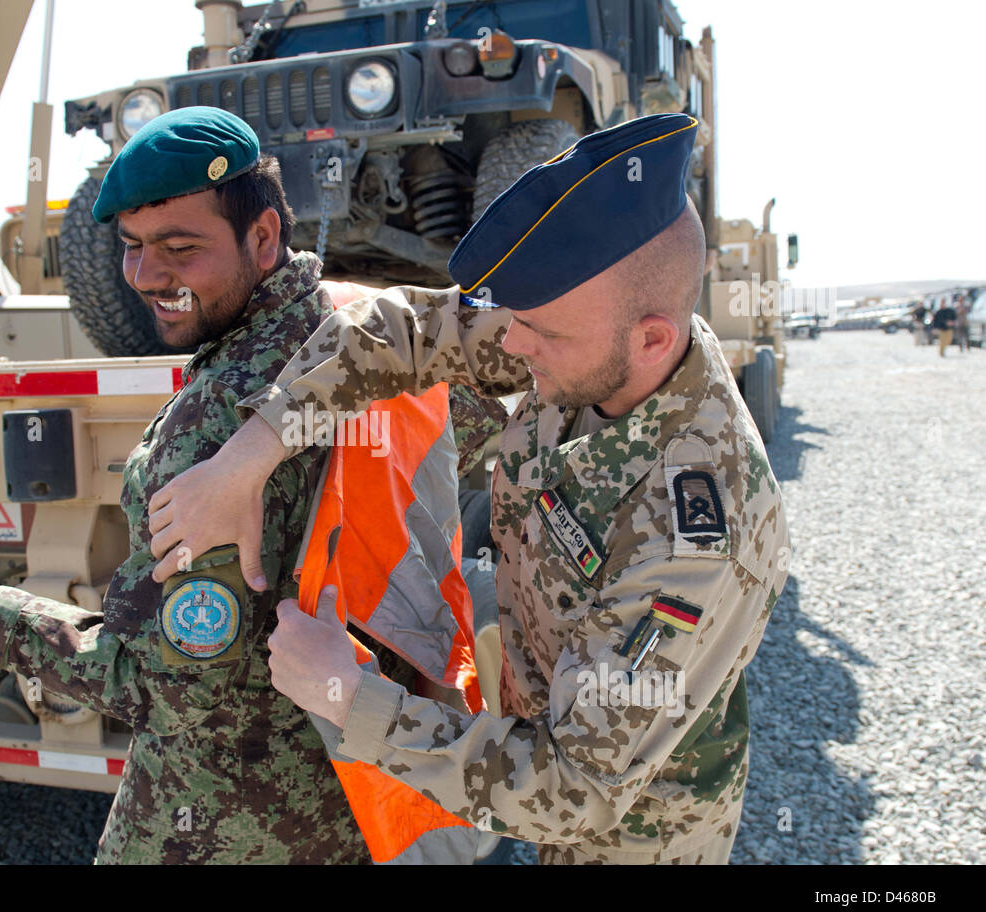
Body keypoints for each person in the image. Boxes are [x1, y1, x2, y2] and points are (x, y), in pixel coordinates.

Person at [0, 107, 503, 864]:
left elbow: (159, 688)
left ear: (263, 236)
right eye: (132, 247)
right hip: (359, 798)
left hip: (233, 822)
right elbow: (469, 430)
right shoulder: (363, 327)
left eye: (181, 248)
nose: (149, 276)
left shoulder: (209, 428)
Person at [148, 113, 792, 865]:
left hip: (632, 836)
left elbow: (576, 784)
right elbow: (396, 329)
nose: (512, 348)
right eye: (516, 323)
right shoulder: (591, 331)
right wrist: (248, 457)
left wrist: (345, 697)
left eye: (540, 336)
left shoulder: (698, 532)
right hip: (542, 727)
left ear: (652, 339)